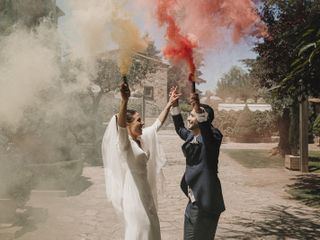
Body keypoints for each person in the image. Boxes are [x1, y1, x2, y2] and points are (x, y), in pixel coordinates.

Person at [102, 83, 180, 240]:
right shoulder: (125, 144)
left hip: (146, 194)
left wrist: (170, 103)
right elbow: (121, 126)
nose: (142, 123)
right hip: (133, 197)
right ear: (129, 125)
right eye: (138, 120)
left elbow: (158, 124)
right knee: (139, 230)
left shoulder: (142, 138)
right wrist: (124, 100)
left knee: (151, 229)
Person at [170, 88, 225, 240]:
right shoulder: (192, 136)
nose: (189, 118)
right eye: (190, 115)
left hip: (204, 200)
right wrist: (175, 105)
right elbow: (179, 127)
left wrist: (198, 108)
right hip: (196, 198)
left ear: (203, 118)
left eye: (192, 115)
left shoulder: (213, 136)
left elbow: (207, 133)